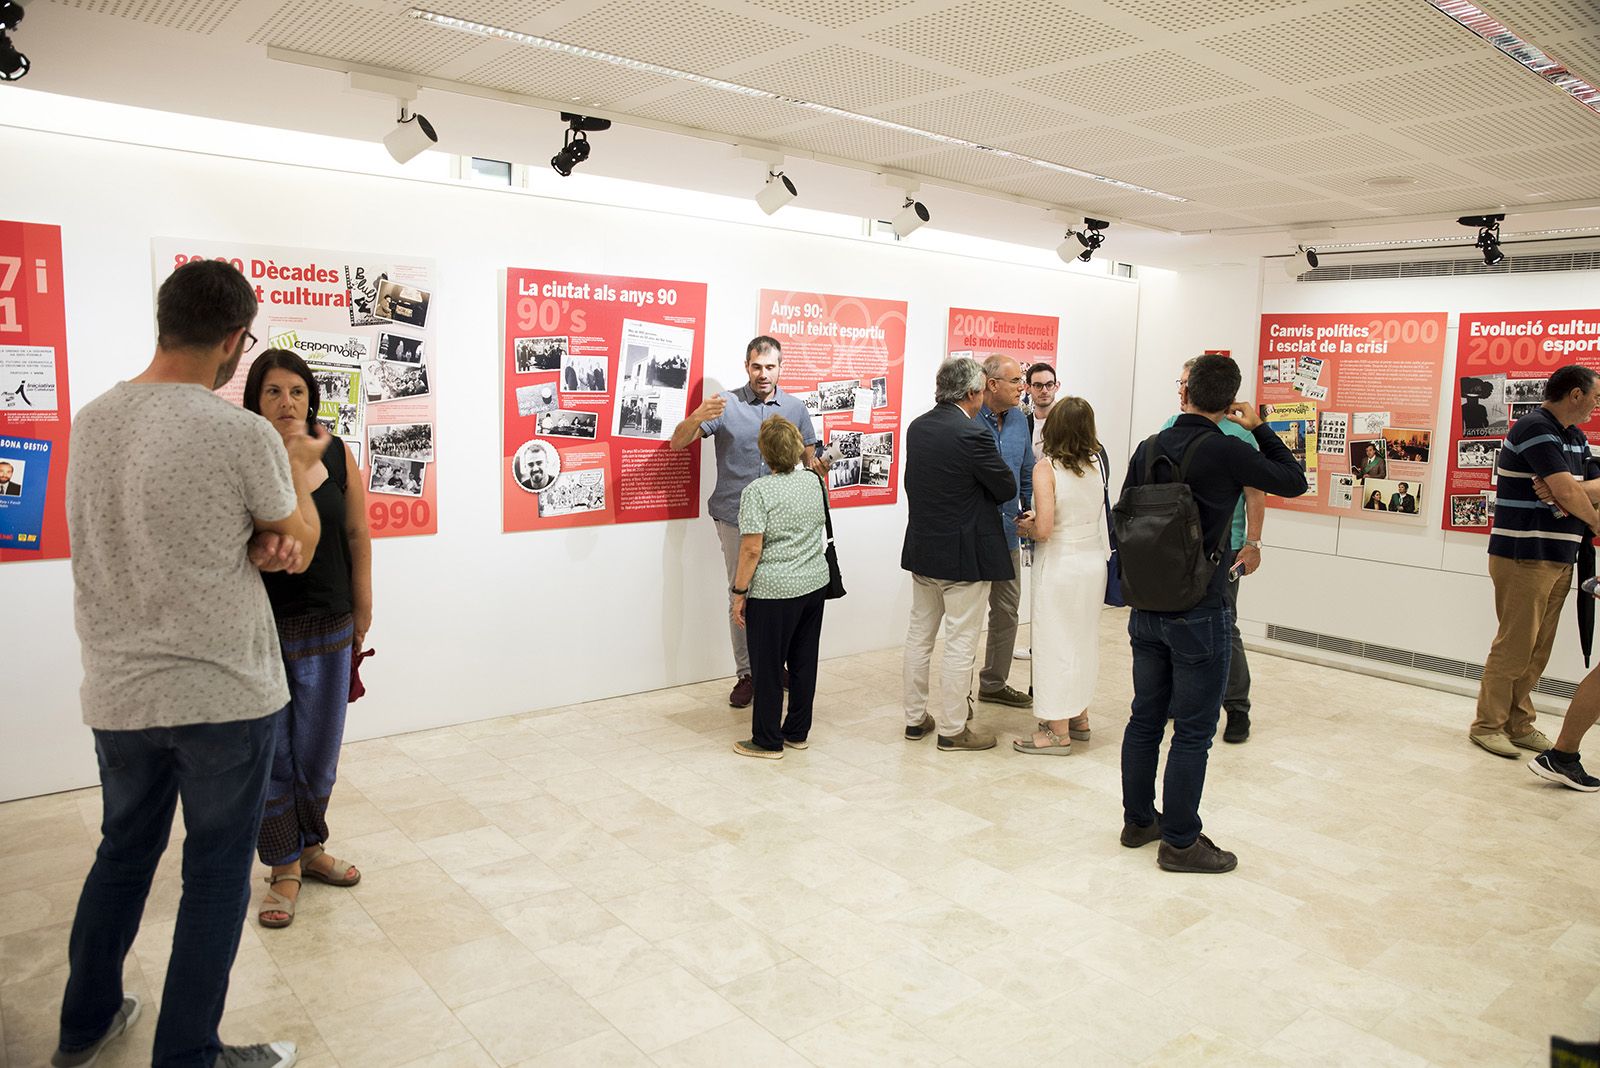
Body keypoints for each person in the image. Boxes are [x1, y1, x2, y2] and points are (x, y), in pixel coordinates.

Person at [53, 260, 317, 1068]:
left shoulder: (92, 420)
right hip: (223, 694)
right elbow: (298, 538)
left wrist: (254, 537)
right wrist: (298, 481)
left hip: (120, 691)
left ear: (163, 321)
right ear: (236, 341)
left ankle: (84, 1025)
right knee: (212, 877)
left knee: (122, 856)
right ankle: (189, 1056)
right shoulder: (238, 432)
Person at [1119, 353, 1307, 874]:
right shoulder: (1226, 449)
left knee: (1144, 719)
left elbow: (1126, 516)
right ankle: (1180, 842)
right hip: (1201, 605)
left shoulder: (1148, 447)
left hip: (1146, 603)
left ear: (1185, 393)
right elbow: (1293, 480)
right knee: (1195, 731)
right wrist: (1262, 427)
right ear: (1229, 402)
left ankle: (1139, 821)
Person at [243, 350, 373, 929]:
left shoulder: (338, 453)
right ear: (254, 399)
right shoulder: (245, 457)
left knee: (319, 752)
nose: (286, 402)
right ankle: (282, 867)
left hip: (330, 622)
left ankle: (311, 846)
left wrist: (363, 608)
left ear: (311, 397)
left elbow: (357, 534)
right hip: (260, 629)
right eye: (272, 391)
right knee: (274, 751)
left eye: (296, 390)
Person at [670, 336, 821, 708]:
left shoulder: (796, 408)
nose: (763, 374)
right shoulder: (727, 405)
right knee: (741, 594)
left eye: (770, 367)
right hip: (736, 517)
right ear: (746, 366)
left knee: (782, 596)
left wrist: (822, 467)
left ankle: (774, 665)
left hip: (783, 520)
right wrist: (695, 417)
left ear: (780, 368)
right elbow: (677, 443)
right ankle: (748, 674)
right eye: (757, 366)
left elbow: (810, 460)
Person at [1471, 365, 1600, 758]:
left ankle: (1519, 723)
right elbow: (1570, 492)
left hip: (1559, 556)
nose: (1598, 405)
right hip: (1524, 555)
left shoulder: (1573, 437)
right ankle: (1487, 725)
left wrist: (1570, 489)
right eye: (1595, 396)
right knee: (1515, 645)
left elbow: (1581, 487)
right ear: (1575, 394)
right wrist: (1580, 502)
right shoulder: (1534, 427)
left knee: (1538, 648)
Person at [902, 357, 1017, 751]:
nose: (985, 395)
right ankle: (953, 729)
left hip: (923, 550)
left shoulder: (917, 428)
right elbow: (1004, 487)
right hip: (965, 556)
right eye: (983, 389)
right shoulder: (972, 434)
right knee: (960, 643)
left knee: (920, 637)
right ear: (972, 393)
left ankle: (915, 720)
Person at [1163, 358, 1267, 744]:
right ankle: (1177, 696)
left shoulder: (1239, 437)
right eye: (1181, 381)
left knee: (1225, 629)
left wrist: (1252, 544)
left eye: (1186, 382)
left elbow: (1256, 495)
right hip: (1178, 548)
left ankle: (1237, 707)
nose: (1181, 389)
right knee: (1175, 623)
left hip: (1225, 549)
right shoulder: (1171, 428)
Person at [728, 416, 830, 758]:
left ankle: (767, 740)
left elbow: (751, 549)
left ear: (764, 452)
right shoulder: (814, 482)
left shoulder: (757, 491)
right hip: (813, 584)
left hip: (773, 593)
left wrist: (738, 594)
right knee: (804, 662)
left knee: (768, 667)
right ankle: (797, 731)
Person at [1013, 397, 1109, 754]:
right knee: (1082, 639)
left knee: (1054, 641)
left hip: (1061, 565)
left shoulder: (1046, 468)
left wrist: (1026, 526)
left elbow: (1045, 529)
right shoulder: (1097, 465)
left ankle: (1056, 731)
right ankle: (1079, 717)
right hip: (1092, 561)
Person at [975, 355, 1034, 710]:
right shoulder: (968, 418)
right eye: (1015, 381)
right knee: (965, 615)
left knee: (1007, 611)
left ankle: (993, 683)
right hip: (975, 534)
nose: (1021, 388)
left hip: (1009, 533)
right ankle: (959, 692)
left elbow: (1026, 469)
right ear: (992, 384)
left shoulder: (1020, 421)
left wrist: (1029, 509)